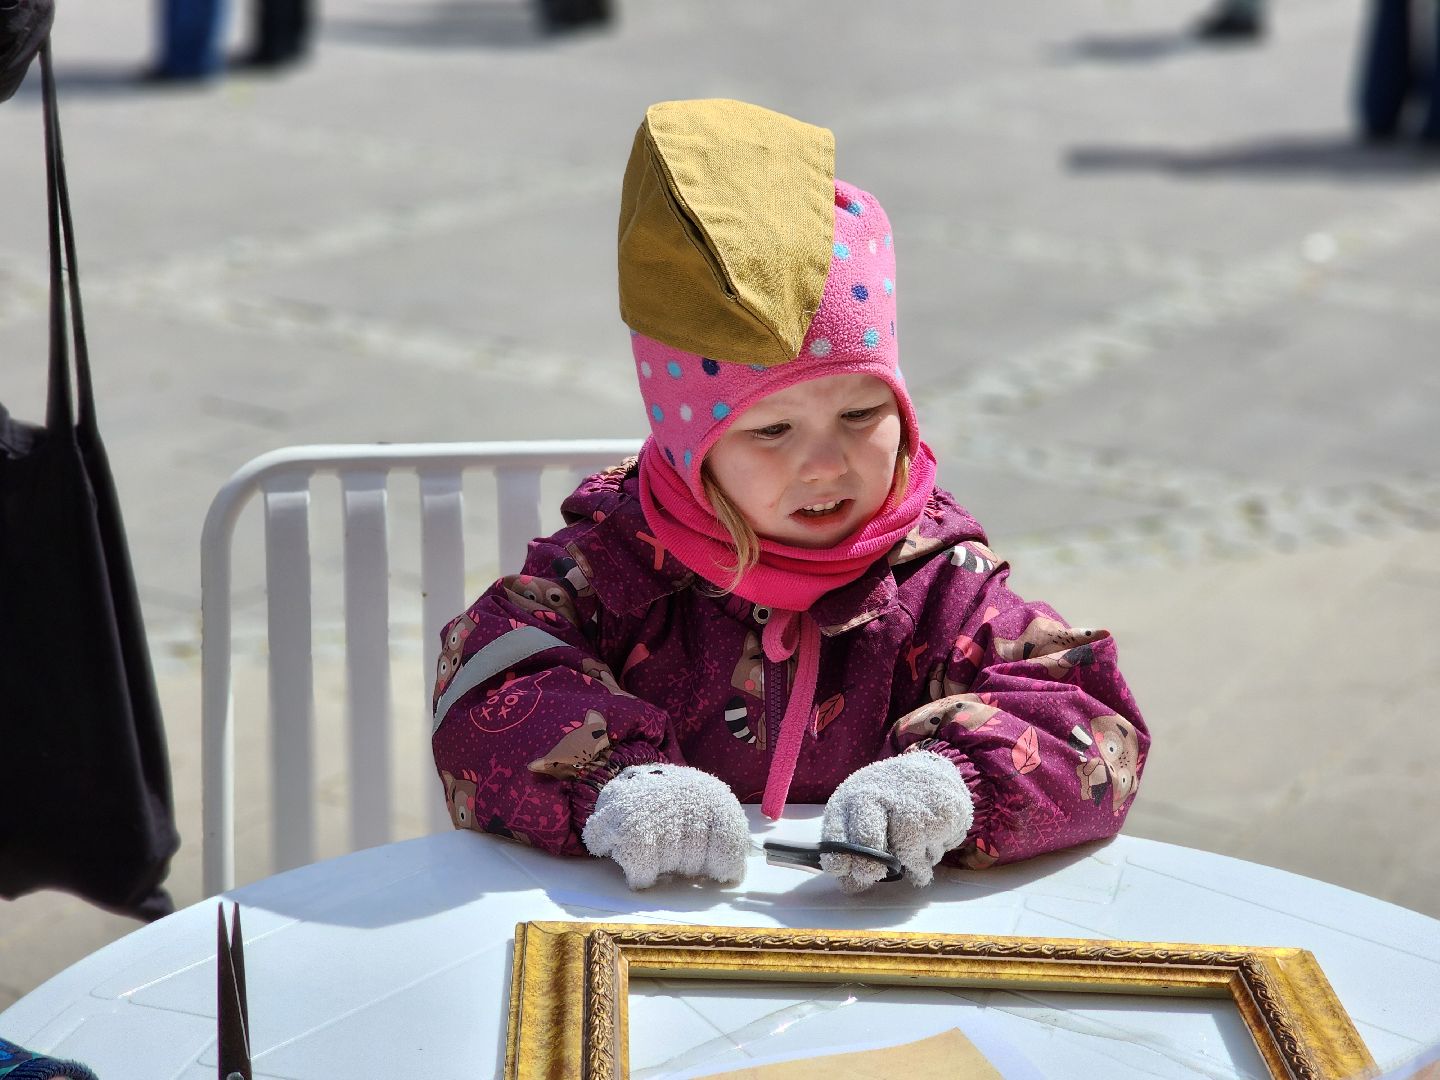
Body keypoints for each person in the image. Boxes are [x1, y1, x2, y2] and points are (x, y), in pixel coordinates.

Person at [430, 99, 1149, 894]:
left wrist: (951, 788)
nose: (824, 463)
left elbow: (1083, 714)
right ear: (687, 446)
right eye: (770, 432)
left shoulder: (937, 583)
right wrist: (620, 785)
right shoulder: (615, 568)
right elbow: (488, 681)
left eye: (861, 414)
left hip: (872, 950)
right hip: (650, 935)